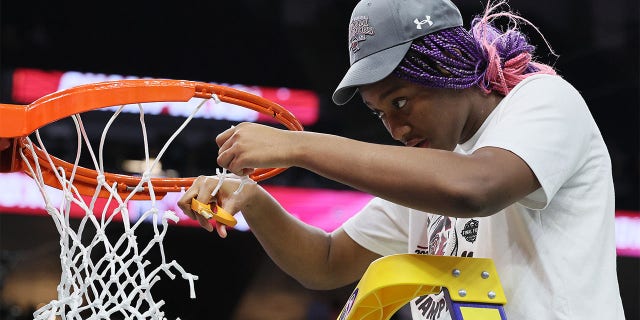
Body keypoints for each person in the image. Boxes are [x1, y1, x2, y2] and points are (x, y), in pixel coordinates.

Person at [177, 0, 626, 319]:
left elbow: (477, 189)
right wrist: (252, 200)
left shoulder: (544, 100)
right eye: (380, 112)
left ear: (449, 65)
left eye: (402, 102)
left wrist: (299, 146)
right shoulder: (428, 170)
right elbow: (326, 262)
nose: (394, 128)